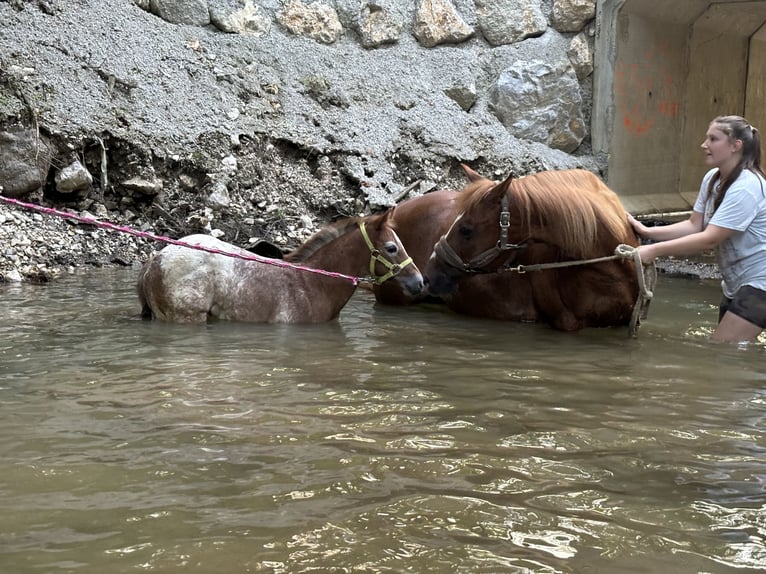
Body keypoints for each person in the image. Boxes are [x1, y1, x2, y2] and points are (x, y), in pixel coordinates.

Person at [628, 115, 766, 343]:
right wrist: (646, 232)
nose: (704, 145)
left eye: (713, 139)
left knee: (722, 350)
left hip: (760, 283)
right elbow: (695, 225)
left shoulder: (747, 186)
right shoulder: (713, 178)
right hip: (736, 284)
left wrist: (653, 251)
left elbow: (710, 239)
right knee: (734, 352)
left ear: (735, 146)